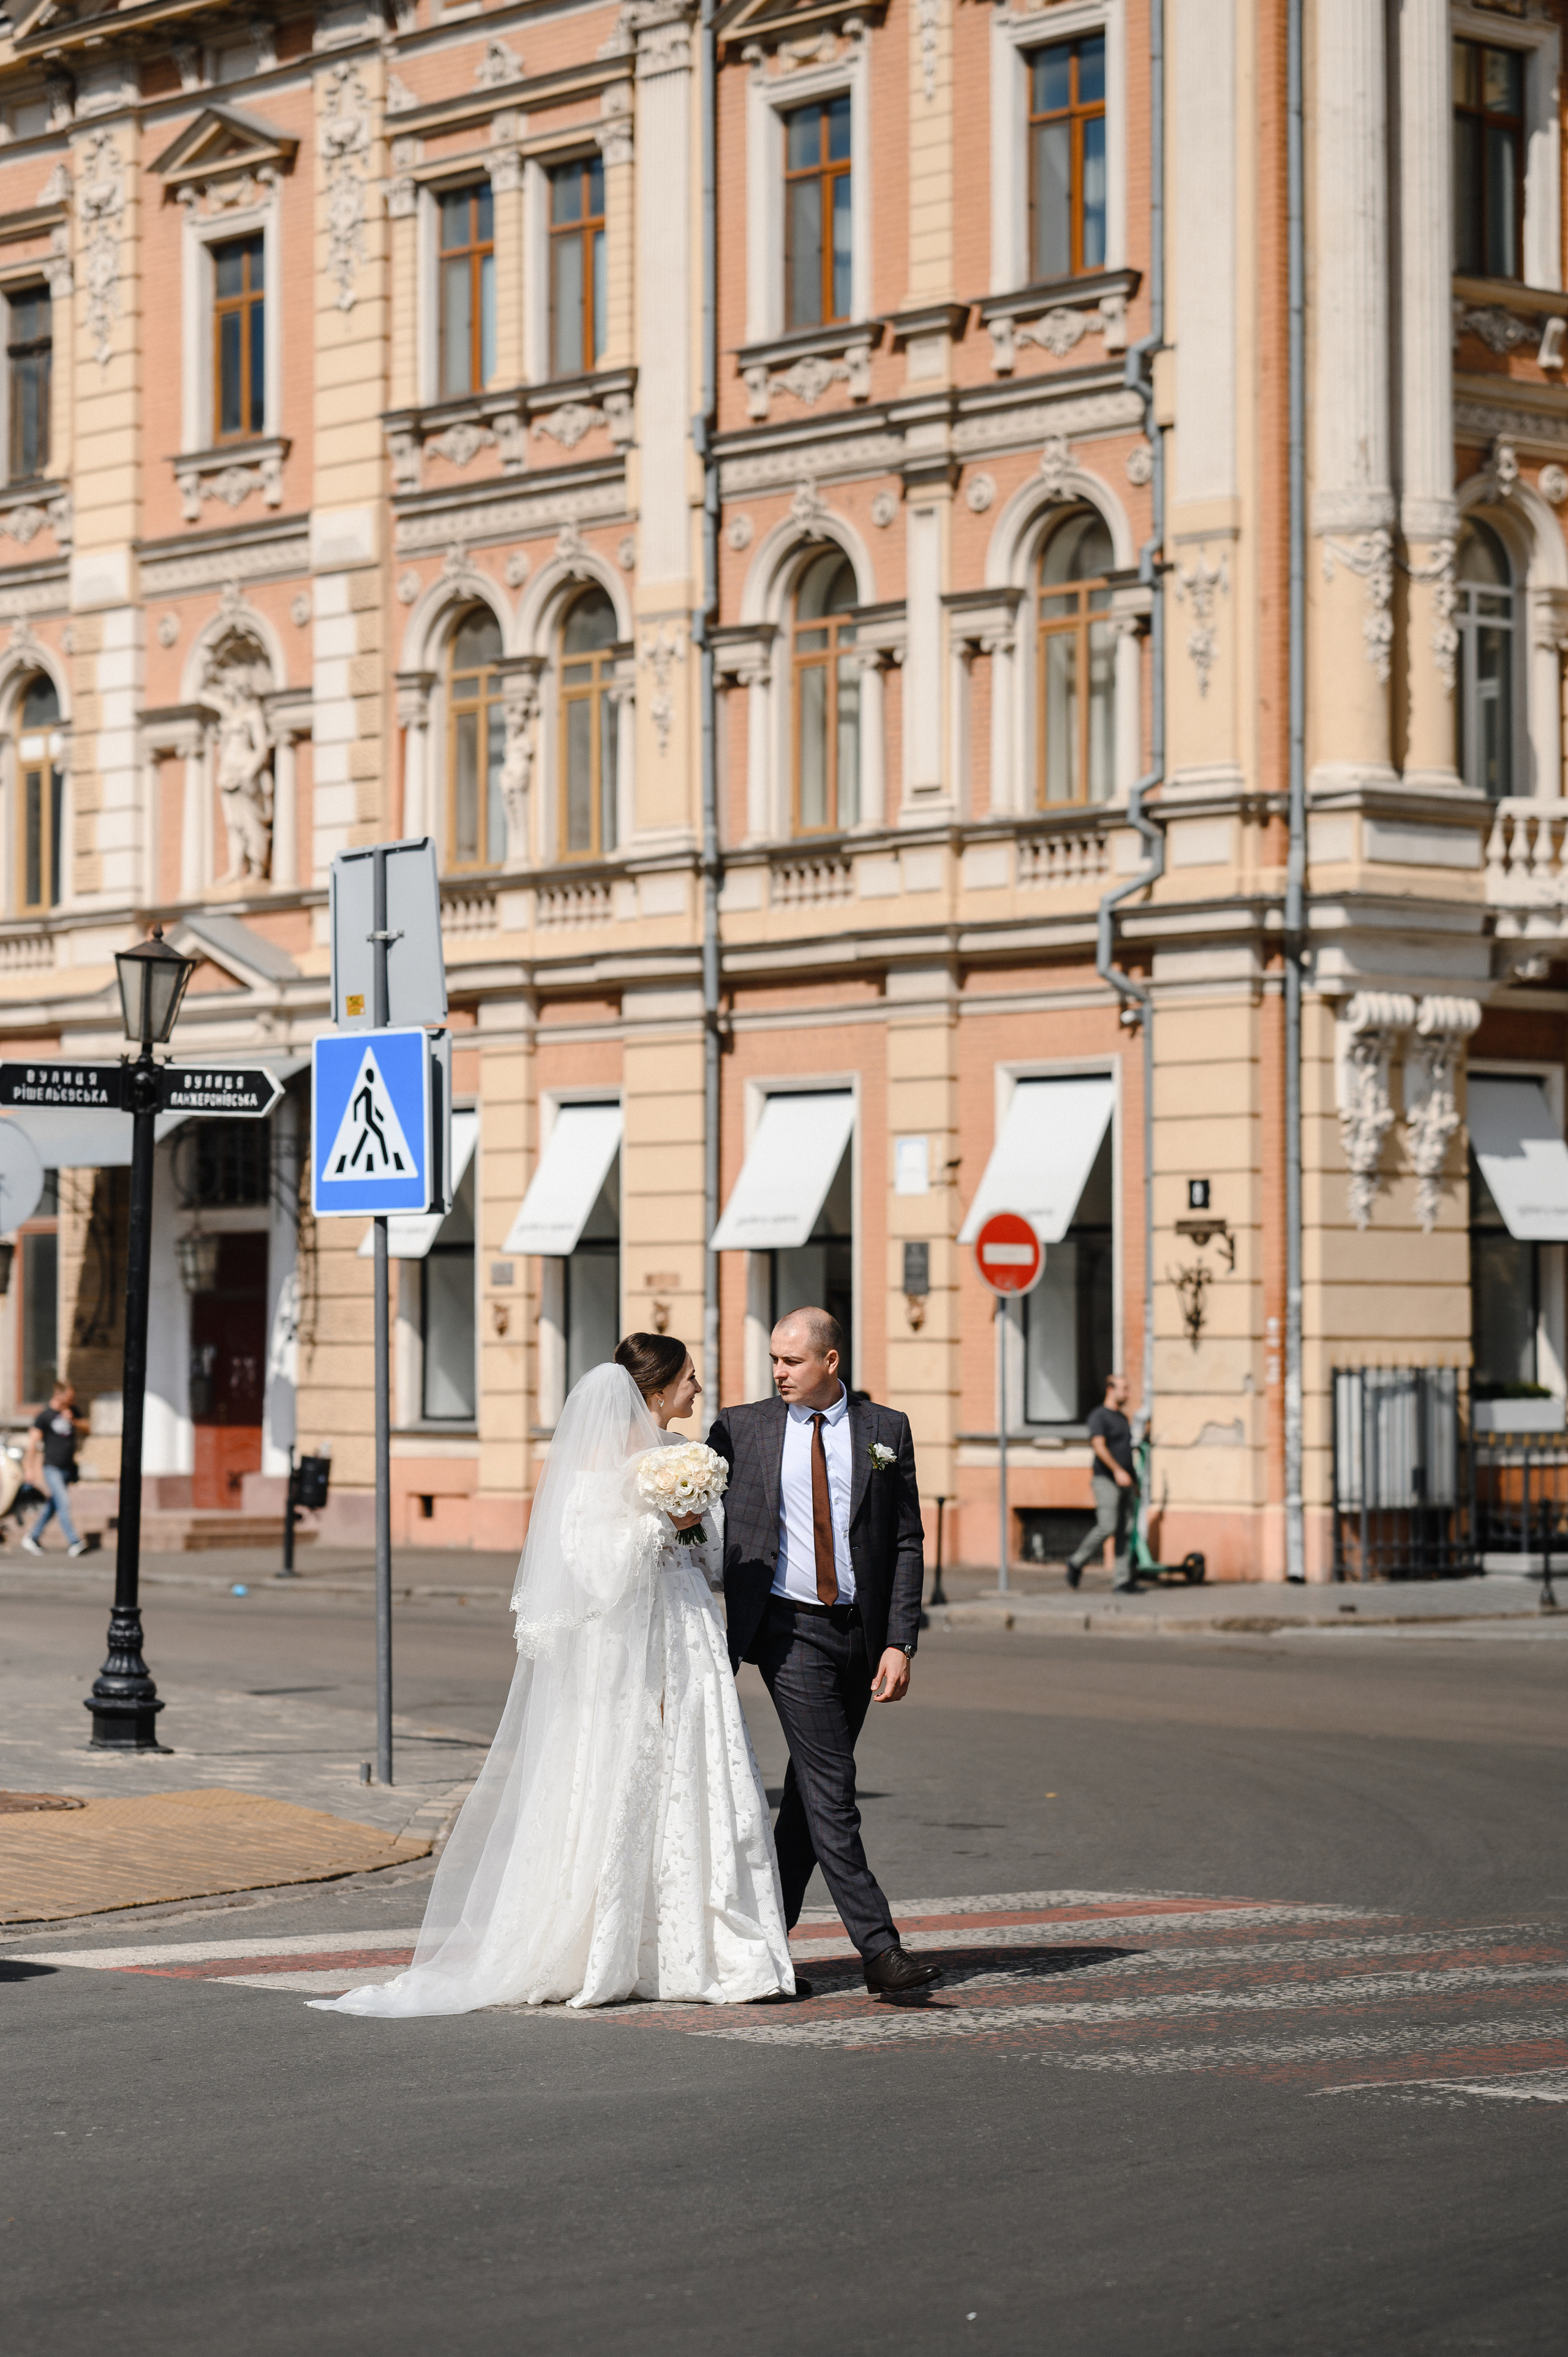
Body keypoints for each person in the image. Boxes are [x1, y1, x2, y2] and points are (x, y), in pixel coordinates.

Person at [312, 1336, 795, 2017]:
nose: (697, 1389)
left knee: (696, 1776)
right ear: (654, 1392)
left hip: (688, 1635)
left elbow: (712, 1563)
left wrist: (695, 1524)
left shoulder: (684, 1459)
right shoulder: (595, 1471)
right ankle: (603, 1945)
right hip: (629, 1648)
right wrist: (665, 1520)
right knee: (623, 1778)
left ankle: (700, 1947)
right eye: (688, 1378)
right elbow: (591, 1570)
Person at [707, 1308, 941, 1999]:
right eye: (774, 1360)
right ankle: (880, 1950)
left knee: (809, 1801)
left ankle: (759, 1953)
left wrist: (900, 1640)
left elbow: (905, 1541)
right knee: (834, 1789)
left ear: (830, 1362)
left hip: (859, 1635)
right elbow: (696, 1513)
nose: (777, 1372)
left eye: (792, 1361)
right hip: (787, 1632)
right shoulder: (739, 1428)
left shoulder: (884, 1430)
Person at [1066, 1370, 1142, 1594]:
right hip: (1106, 1479)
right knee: (1107, 1526)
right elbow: (1099, 1446)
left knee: (1126, 1531)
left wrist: (1133, 1482)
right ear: (1111, 1390)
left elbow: (1126, 1452)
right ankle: (1077, 1561)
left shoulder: (1123, 1418)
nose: (1128, 1393)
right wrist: (1117, 1471)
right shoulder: (1099, 1416)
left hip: (1126, 1481)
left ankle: (1122, 1580)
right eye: (1124, 1388)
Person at [21, 1379, 89, 1559]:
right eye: (69, 1398)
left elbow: (87, 1427)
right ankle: (74, 1542)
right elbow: (33, 1444)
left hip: (68, 1467)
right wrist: (29, 1469)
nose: (72, 1402)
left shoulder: (71, 1412)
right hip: (52, 1467)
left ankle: (32, 1537)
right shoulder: (44, 1416)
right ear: (59, 1396)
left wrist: (73, 1420)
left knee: (54, 1505)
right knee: (64, 1502)